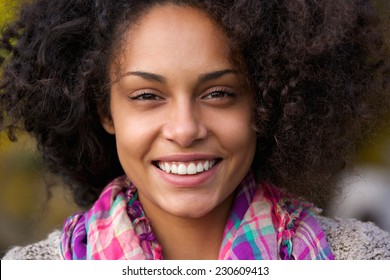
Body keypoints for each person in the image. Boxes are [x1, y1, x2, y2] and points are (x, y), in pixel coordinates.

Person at [1, 0, 390, 260]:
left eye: (219, 93)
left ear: (267, 103)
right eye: (147, 95)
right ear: (106, 111)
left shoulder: (363, 258)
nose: (185, 130)